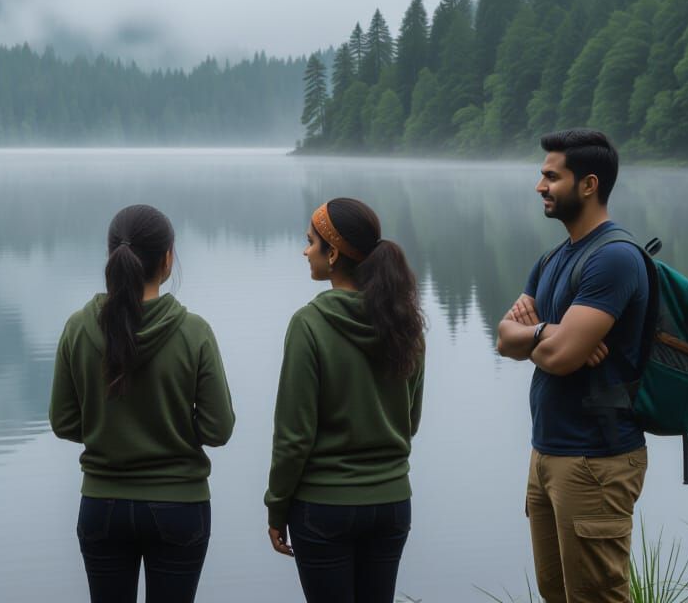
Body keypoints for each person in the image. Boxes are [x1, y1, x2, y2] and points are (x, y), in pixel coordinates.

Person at [49, 204, 235, 603]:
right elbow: (219, 429)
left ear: (112, 255)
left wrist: (107, 429)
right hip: (180, 505)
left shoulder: (79, 327)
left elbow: (64, 422)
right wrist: (175, 432)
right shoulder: (194, 332)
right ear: (168, 259)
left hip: (102, 505)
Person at [496, 128, 650, 603]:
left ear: (589, 184)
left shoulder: (615, 258)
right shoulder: (552, 259)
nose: (540, 186)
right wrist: (547, 331)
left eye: (551, 176)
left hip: (595, 459)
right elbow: (504, 338)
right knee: (556, 594)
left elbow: (562, 360)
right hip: (547, 453)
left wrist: (547, 339)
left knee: (596, 598)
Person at [265, 197, 426, 603]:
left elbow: (294, 436)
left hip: (324, 508)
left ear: (333, 253)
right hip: (391, 504)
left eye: (310, 242)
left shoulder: (310, 324)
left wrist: (276, 507)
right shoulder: (405, 323)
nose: (305, 251)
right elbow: (410, 419)